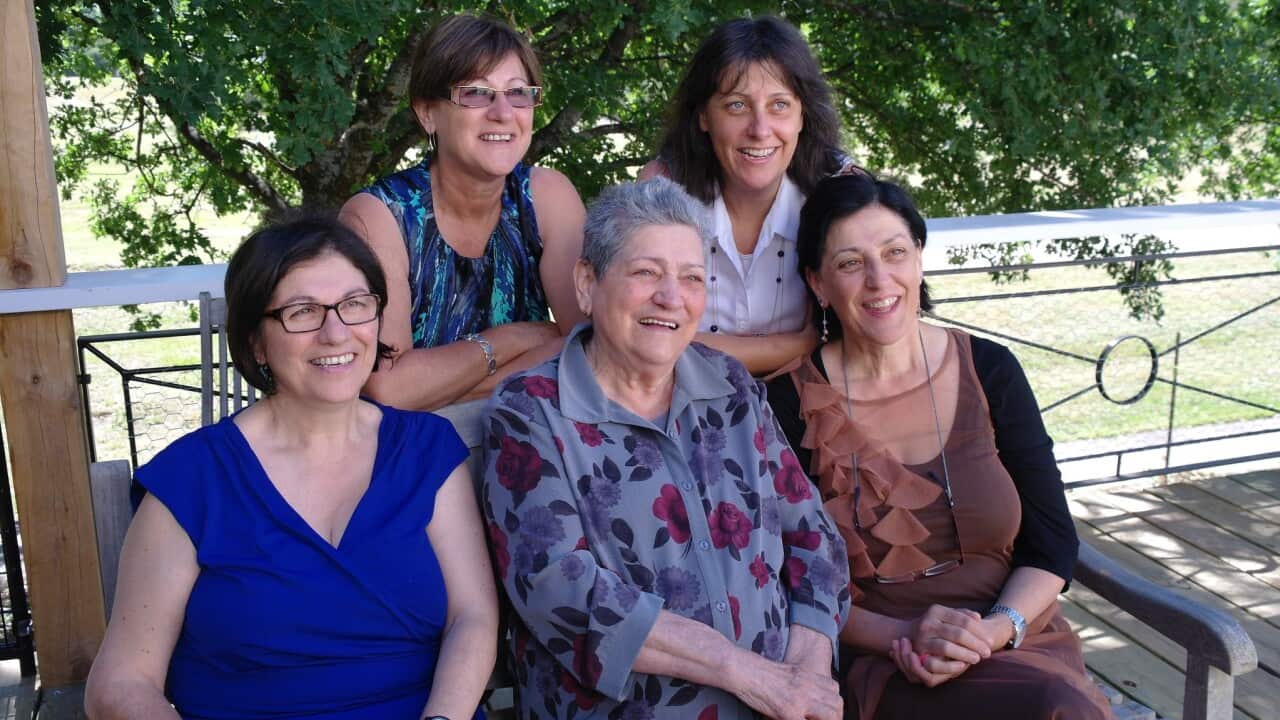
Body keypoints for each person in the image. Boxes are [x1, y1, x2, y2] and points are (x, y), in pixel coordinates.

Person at [85, 217, 498, 720]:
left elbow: (472, 617)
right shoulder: (192, 481)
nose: (336, 333)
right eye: (302, 312)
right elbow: (122, 682)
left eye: (355, 304)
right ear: (256, 342)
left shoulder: (426, 451)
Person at [481, 178, 852, 720]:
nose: (672, 297)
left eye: (692, 277)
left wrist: (806, 675)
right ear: (587, 283)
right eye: (646, 272)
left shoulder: (730, 385)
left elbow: (813, 535)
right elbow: (558, 587)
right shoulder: (531, 410)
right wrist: (746, 673)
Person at [766, 173, 1109, 719]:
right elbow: (785, 579)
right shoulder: (785, 403)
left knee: (1054, 703)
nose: (879, 280)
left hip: (1014, 641)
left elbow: (1051, 543)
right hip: (880, 660)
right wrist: (905, 636)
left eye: (895, 253)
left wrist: (993, 632)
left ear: (919, 258)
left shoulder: (991, 370)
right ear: (818, 283)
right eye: (851, 263)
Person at [341, 14, 586, 410]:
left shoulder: (546, 197)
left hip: (529, 432)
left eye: (518, 93)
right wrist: (514, 339)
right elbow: (389, 390)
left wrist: (441, 383)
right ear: (427, 113)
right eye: (476, 93)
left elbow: (589, 348)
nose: (503, 112)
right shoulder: (381, 216)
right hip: (417, 442)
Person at [641, 16, 855, 375]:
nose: (760, 130)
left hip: (810, 400)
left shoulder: (840, 190)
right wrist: (801, 345)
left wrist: (692, 347)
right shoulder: (663, 187)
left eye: (779, 105)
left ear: (803, 115)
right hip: (682, 399)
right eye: (737, 105)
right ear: (704, 116)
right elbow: (644, 339)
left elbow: (864, 336)